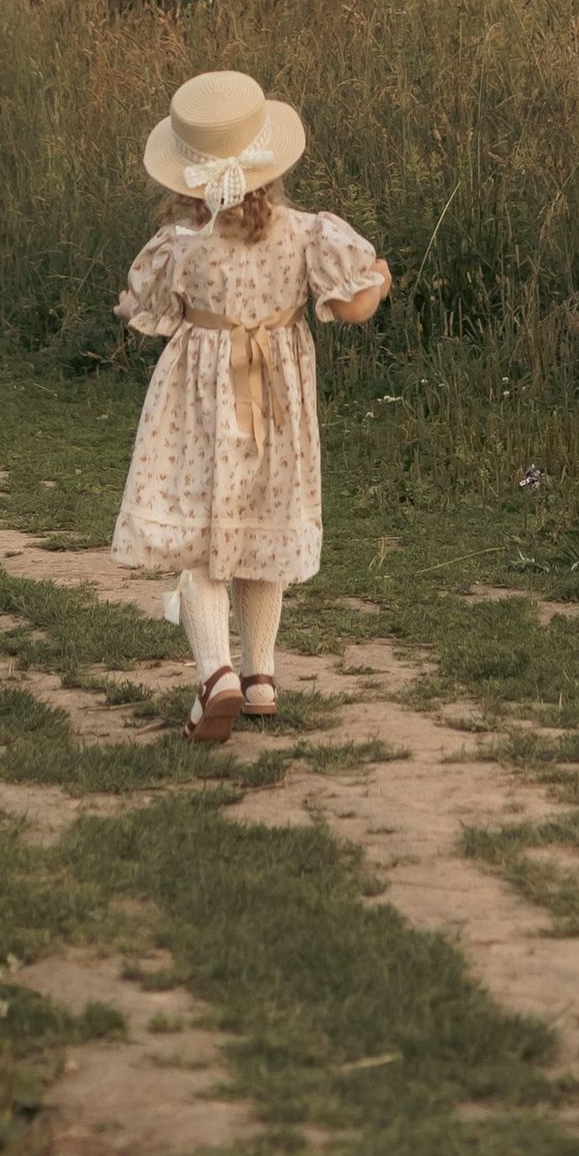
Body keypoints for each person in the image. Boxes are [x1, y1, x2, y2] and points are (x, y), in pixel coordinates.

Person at [110, 67, 391, 742]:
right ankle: (260, 676)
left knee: (201, 530)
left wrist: (132, 304)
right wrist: (379, 278)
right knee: (262, 522)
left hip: (195, 407)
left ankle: (218, 674)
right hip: (277, 405)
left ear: (186, 175)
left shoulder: (179, 245)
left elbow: (147, 309)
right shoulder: (309, 233)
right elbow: (355, 306)